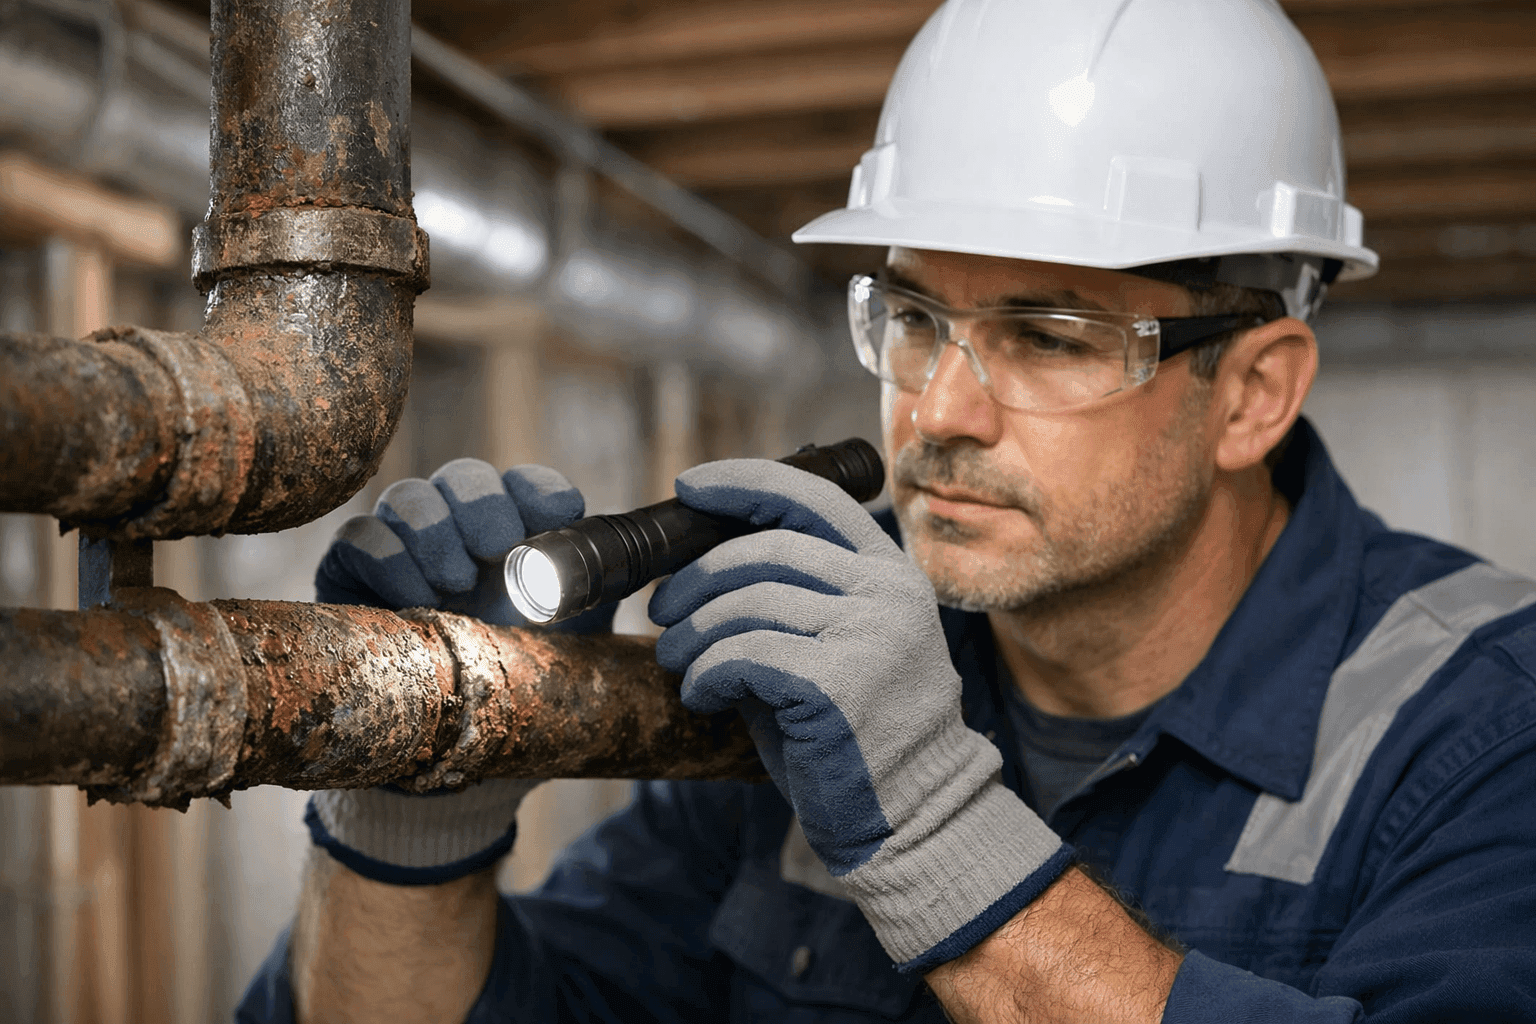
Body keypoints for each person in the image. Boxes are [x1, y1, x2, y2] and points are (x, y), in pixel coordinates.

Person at [238, 0, 1536, 1020]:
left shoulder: (1486, 728)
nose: (942, 415)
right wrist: (405, 823)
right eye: (914, 321)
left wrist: (935, 833)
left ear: (1254, 394)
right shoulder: (821, 690)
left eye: (1051, 336)